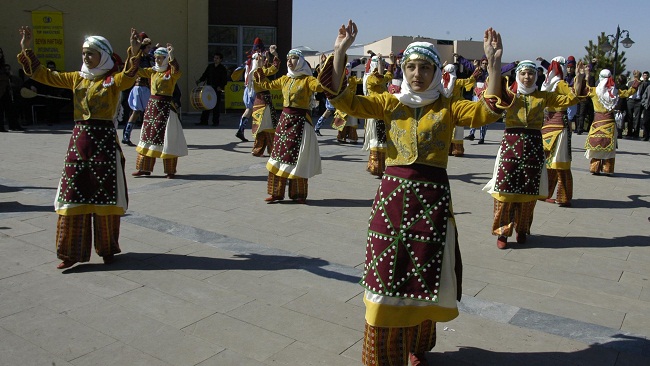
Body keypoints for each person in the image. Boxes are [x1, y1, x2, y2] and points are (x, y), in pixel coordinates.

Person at [320, 20, 506, 365]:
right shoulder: (390, 104)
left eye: (424, 67)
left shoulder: (449, 107)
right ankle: (382, 356)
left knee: (424, 273)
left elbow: (488, 111)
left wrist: (493, 64)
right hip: (391, 202)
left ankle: (418, 344)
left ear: (436, 71)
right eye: (411, 66)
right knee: (385, 275)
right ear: (402, 69)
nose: (417, 73)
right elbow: (344, 101)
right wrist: (340, 52)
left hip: (432, 201)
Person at [17, 26, 141, 269]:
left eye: (91, 53)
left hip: (104, 143)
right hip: (79, 143)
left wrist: (134, 52)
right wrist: (27, 48)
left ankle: (107, 249)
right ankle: (70, 253)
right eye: (84, 53)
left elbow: (127, 77)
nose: (85, 57)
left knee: (106, 199)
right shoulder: (76, 78)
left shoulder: (111, 81)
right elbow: (43, 75)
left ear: (103, 56)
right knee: (72, 196)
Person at [484, 60, 582, 250]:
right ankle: (503, 231)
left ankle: (522, 229)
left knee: (529, 192)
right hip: (510, 146)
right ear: (517, 76)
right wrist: (494, 64)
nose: (527, 77)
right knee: (504, 190)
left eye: (530, 73)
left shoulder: (543, 96)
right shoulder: (509, 94)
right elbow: (491, 91)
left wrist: (581, 77)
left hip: (533, 147)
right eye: (523, 74)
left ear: (536, 76)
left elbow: (573, 98)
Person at [254, 48, 323, 204]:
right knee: (278, 156)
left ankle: (298, 194)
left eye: (293, 59)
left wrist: (325, 68)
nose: (290, 62)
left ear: (300, 61)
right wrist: (258, 67)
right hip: (285, 122)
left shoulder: (307, 80)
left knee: (298, 159)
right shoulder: (285, 79)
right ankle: (276, 193)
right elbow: (266, 84)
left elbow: (320, 87)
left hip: (301, 123)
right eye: (288, 59)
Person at [132, 44, 186, 178]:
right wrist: (135, 52)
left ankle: (170, 170)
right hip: (152, 108)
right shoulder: (152, 71)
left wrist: (172, 56)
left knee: (168, 138)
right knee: (147, 137)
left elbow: (177, 70)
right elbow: (136, 70)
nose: (157, 60)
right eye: (156, 58)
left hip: (166, 108)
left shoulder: (171, 73)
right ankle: (144, 168)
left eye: (161, 58)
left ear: (166, 59)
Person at [577, 68, 640, 176]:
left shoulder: (594, 91)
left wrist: (585, 75)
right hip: (609, 122)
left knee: (596, 145)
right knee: (609, 149)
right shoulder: (615, 92)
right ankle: (607, 168)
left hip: (597, 121)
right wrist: (636, 79)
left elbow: (582, 90)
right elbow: (630, 92)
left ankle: (595, 167)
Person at [539, 57, 576, 208]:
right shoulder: (560, 84)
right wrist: (579, 80)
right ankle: (563, 196)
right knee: (560, 163)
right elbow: (574, 97)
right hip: (559, 126)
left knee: (549, 162)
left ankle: (545, 193)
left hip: (547, 125)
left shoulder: (546, 83)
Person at [455, 53, 517, 144]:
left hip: (486, 97)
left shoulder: (492, 73)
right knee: (474, 113)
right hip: (476, 95)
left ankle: (482, 137)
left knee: (484, 116)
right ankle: (472, 134)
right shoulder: (478, 70)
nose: (485, 65)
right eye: (483, 63)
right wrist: (460, 58)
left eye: (486, 63)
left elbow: (504, 69)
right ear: (481, 63)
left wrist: (514, 64)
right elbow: (468, 65)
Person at [362, 54, 391, 174]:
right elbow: (381, 79)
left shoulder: (378, 77)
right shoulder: (370, 78)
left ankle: (380, 166)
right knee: (376, 138)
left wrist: (391, 65)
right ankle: (375, 166)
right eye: (380, 64)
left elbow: (388, 77)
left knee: (382, 138)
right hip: (374, 111)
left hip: (382, 111)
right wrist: (381, 65)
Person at [122, 34, 153, 146]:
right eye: (148, 47)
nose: (150, 49)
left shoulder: (148, 58)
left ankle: (131, 135)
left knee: (140, 112)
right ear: (144, 48)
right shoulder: (141, 58)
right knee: (139, 112)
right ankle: (129, 135)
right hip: (141, 87)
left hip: (144, 88)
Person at [250, 45, 280, 157]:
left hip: (262, 101)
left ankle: (260, 150)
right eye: (260, 59)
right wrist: (274, 56)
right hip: (263, 102)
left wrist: (270, 57)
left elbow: (269, 69)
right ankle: (269, 150)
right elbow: (272, 69)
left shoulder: (256, 71)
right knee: (267, 126)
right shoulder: (256, 72)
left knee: (264, 127)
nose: (262, 60)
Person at [196, 51, 228, 126]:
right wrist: (199, 80)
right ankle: (204, 121)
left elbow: (224, 80)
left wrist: (221, 87)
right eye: (214, 58)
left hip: (217, 89)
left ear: (220, 60)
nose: (215, 59)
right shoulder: (210, 66)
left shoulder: (222, 69)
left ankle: (215, 122)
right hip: (209, 88)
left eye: (217, 58)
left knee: (216, 106)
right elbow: (205, 75)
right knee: (206, 104)